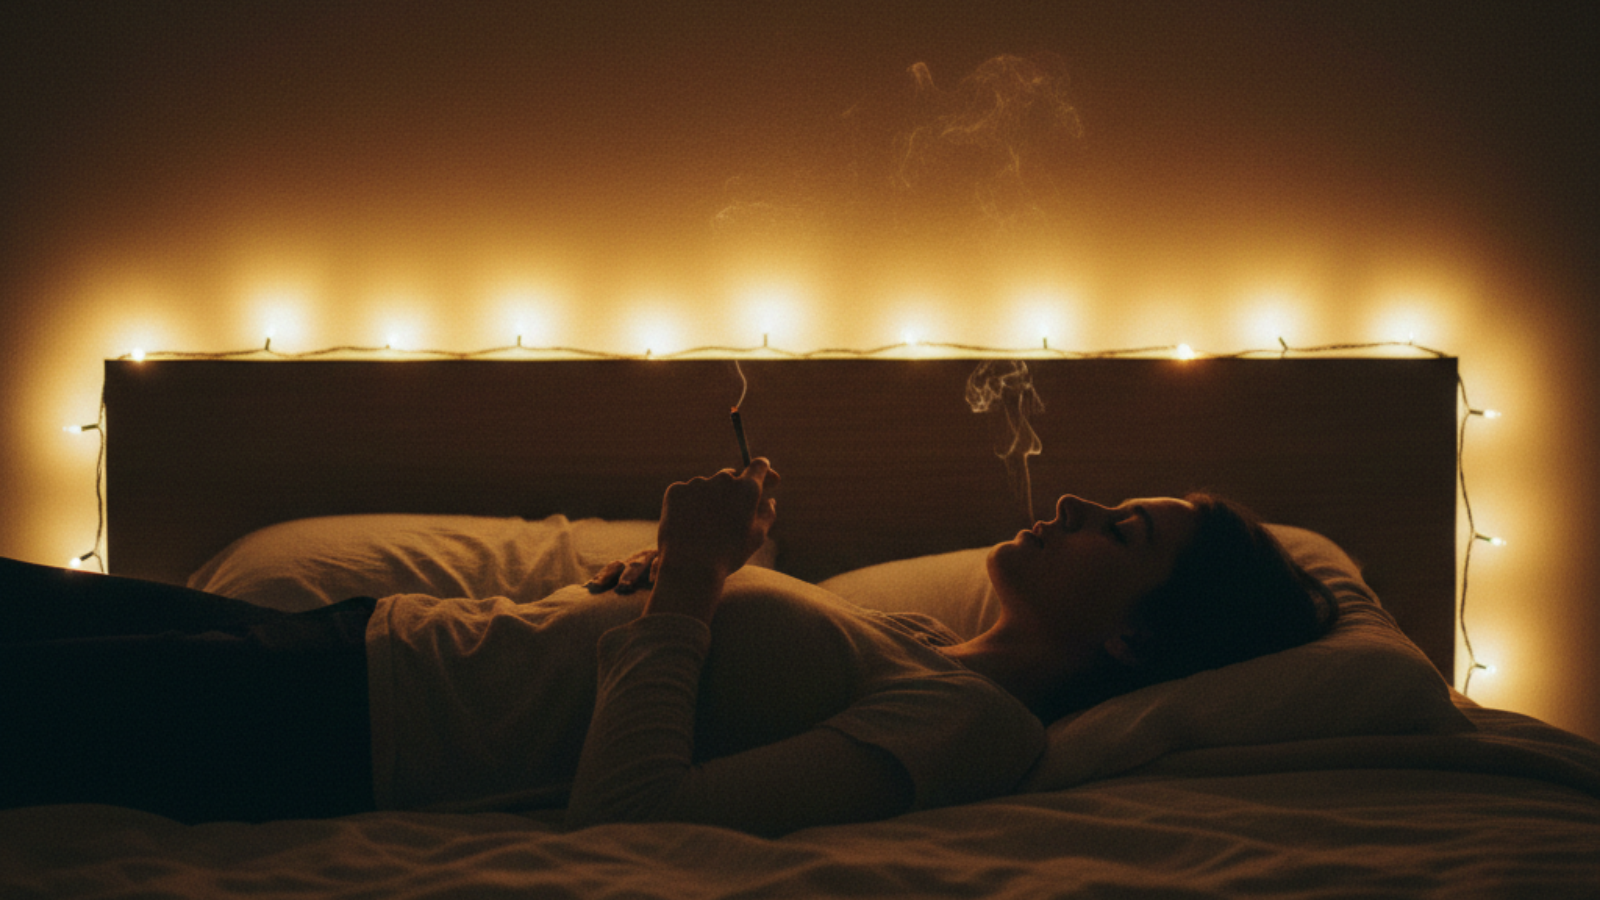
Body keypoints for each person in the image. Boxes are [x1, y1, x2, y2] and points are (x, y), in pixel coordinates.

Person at [0, 459, 1335, 834]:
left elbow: (632, 815)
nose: (1077, 504)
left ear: (1138, 634)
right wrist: (659, 589)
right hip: (363, 646)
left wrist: (695, 579)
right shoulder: (915, 638)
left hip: (349, 731)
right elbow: (637, 673)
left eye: (1124, 531)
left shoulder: (976, 729)